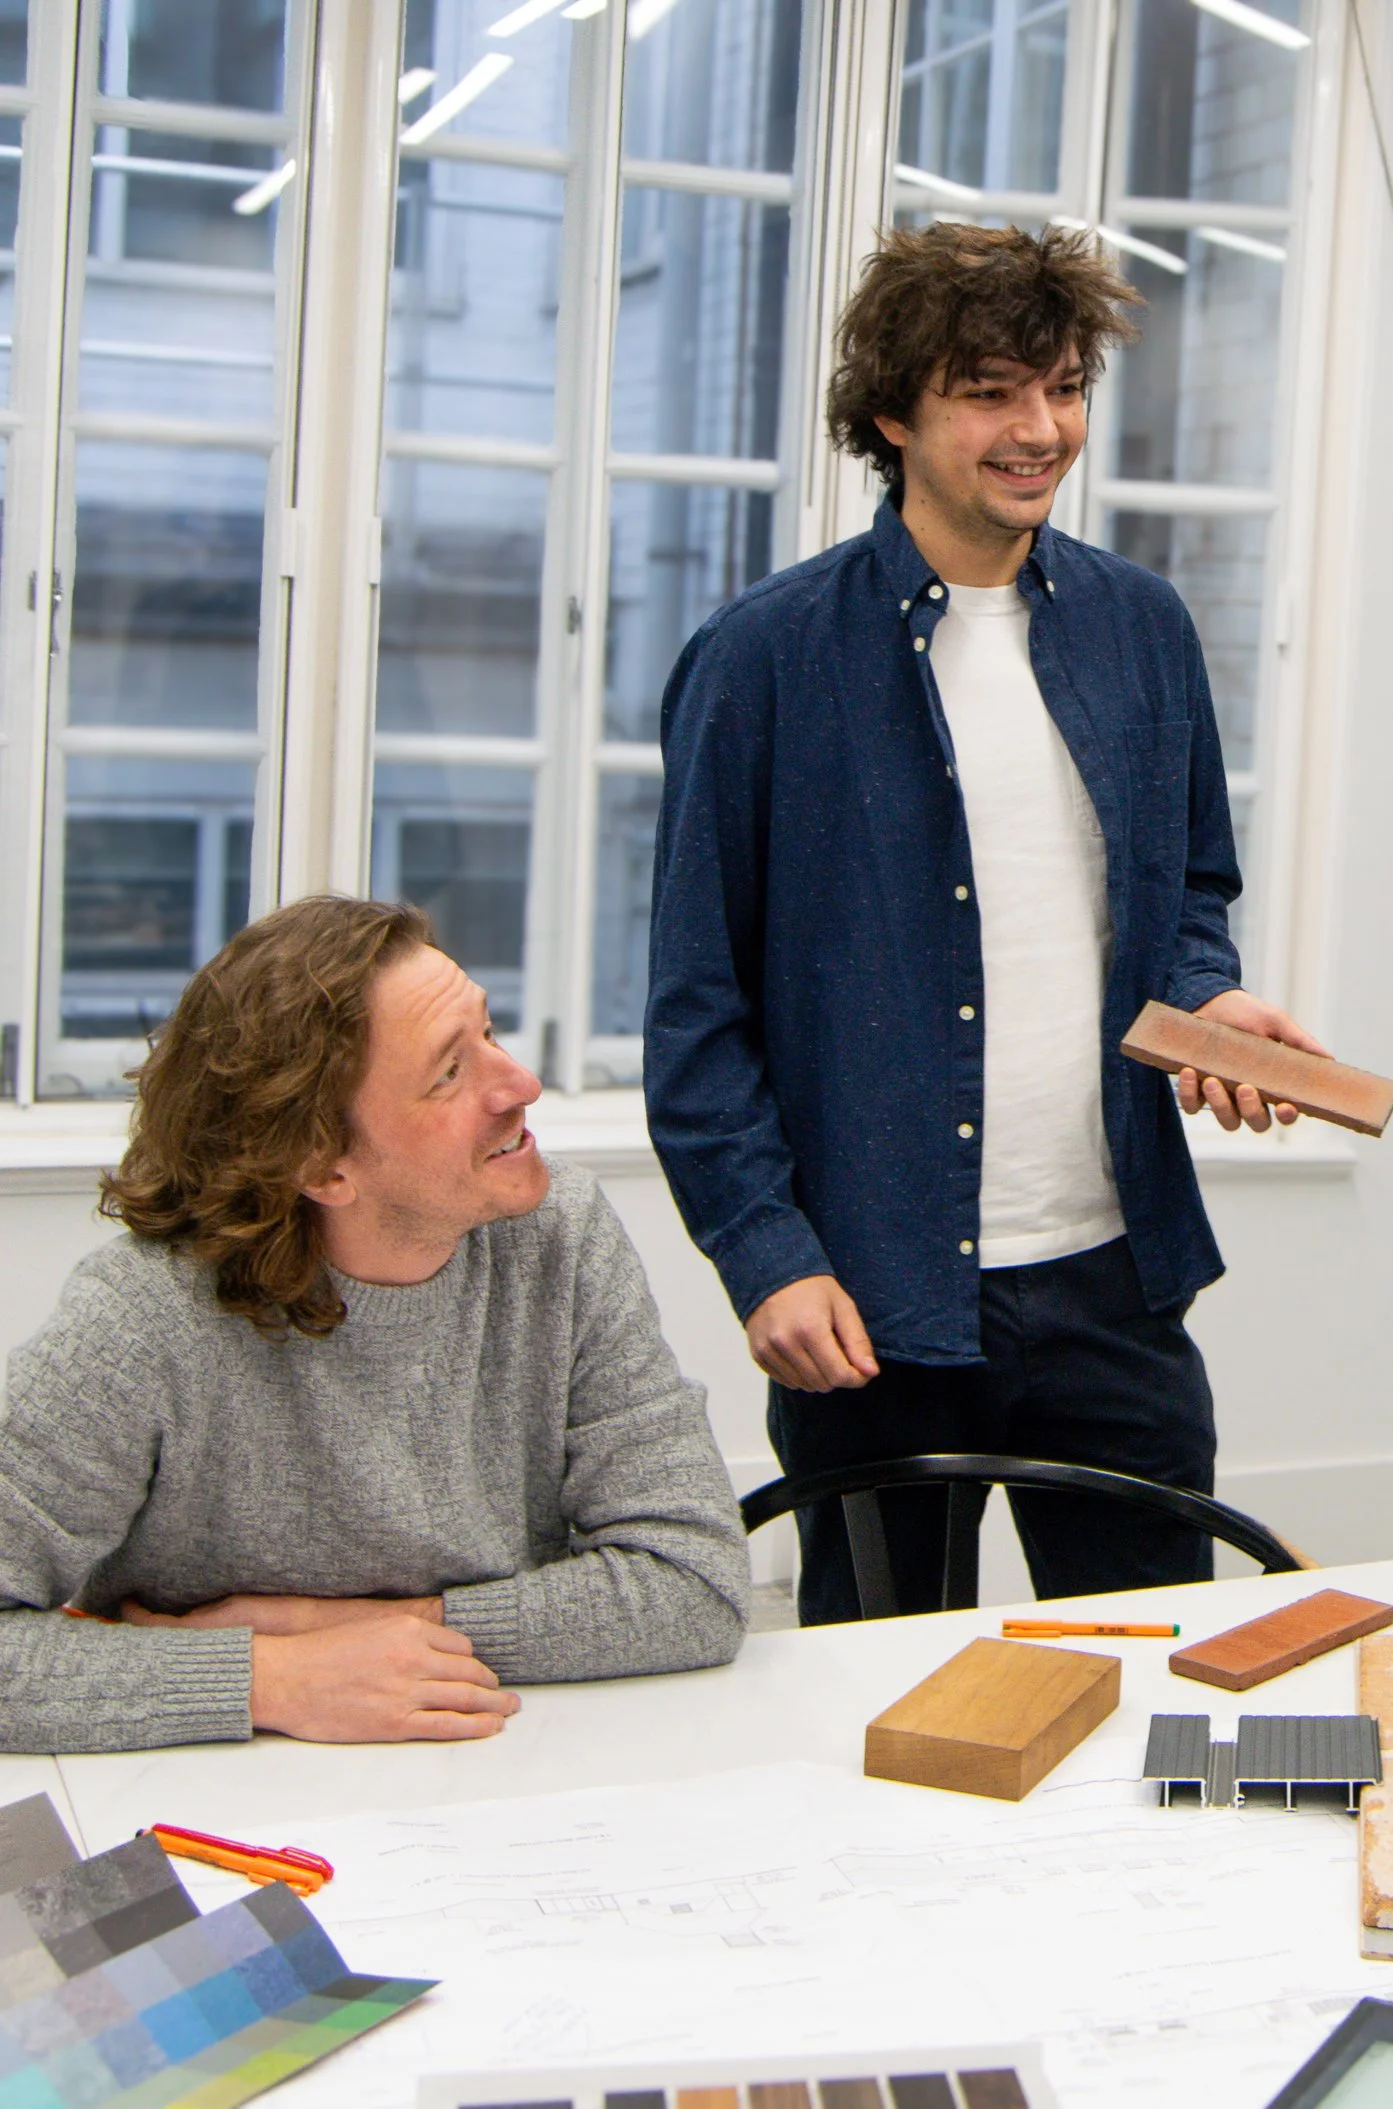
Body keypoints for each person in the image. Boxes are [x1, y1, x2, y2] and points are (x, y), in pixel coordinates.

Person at [645, 222, 1321, 1625]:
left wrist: (1211, 1008)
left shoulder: (1145, 629)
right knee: (889, 1713)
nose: (1041, 430)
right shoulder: (762, 661)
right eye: (992, 393)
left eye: (1065, 387)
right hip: (868, 1304)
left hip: (1113, 1283)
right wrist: (766, 1256)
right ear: (894, 412)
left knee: (1148, 1682)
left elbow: (1193, 895)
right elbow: (696, 1015)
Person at [0, 898, 750, 1753]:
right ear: (321, 1164)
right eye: (448, 1074)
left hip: (490, 1767)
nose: (521, 1085)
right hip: (210, 1794)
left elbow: (700, 1581)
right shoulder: (143, 1317)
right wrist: (271, 1678)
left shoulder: (558, 1236)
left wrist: (380, 1629)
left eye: (490, 1032)